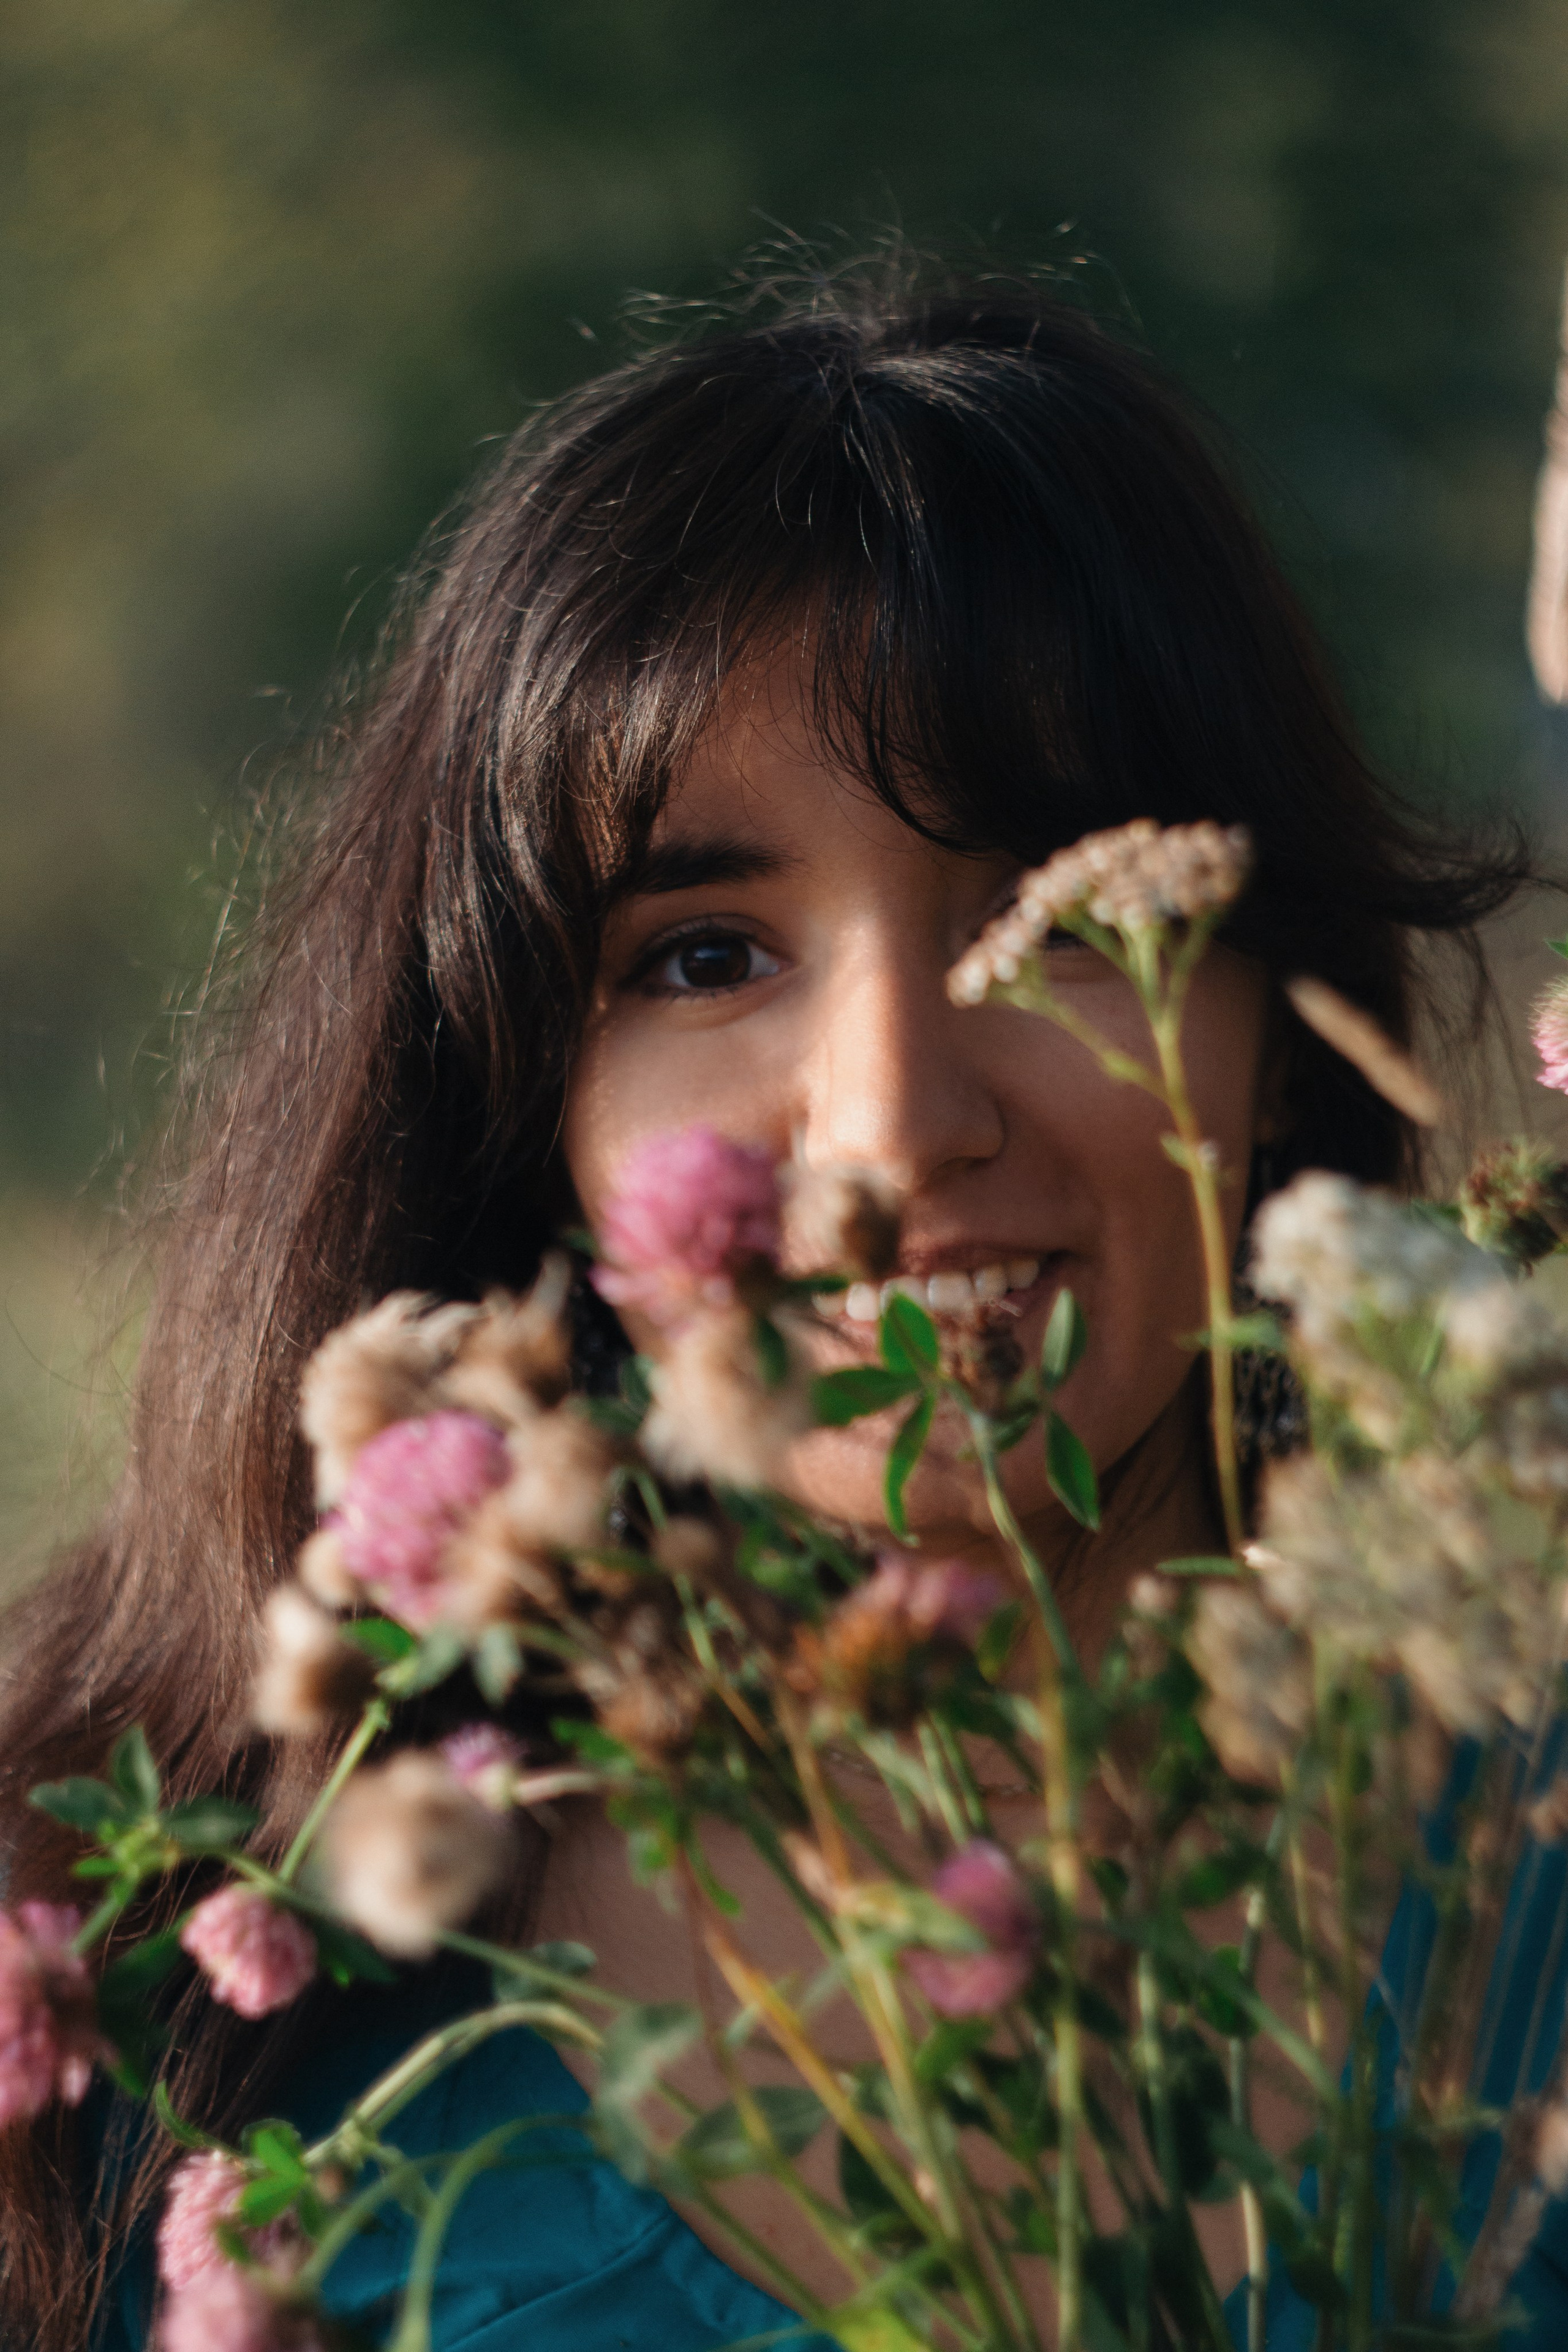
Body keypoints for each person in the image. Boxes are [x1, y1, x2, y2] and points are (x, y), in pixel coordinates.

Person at [0, 267, 1544, 2351]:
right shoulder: (176, 1965)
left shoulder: (1514, 1887)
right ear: (520, 1100)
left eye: (1043, 914)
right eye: (709, 957)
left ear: (1275, 1023)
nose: (895, 1116)